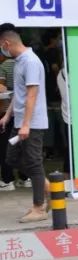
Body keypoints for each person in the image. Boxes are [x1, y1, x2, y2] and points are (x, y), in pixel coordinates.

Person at [0, 24, 49, 223]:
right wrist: (8, 115)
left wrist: (26, 124)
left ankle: (39, 207)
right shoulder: (19, 61)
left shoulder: (30, 61)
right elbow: (19, 93)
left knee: (33, 163)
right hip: (20, 120)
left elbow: (31, 94)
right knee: (11, 158)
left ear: (6, 43)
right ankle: (46, 185)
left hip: (32, 122)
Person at [0, 53, 16, 190]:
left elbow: (1, 88)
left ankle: (8, 179)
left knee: (4, 145)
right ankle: (26, 178)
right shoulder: (22, 64)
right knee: (20, 144)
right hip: (20, 112)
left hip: (5, 111)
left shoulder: (3, 67)